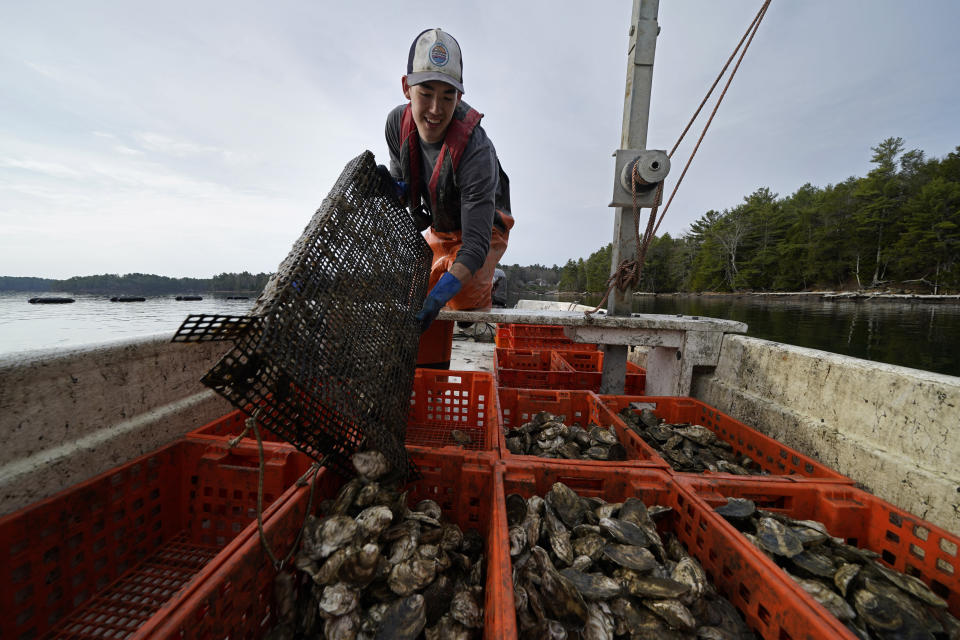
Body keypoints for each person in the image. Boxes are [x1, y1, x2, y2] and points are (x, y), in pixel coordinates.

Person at [384, 28, 514, 368]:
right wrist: (394, 188)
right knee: (416, 295)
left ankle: (490, 284)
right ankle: (428, 368)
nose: (435, 110)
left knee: (460, 301)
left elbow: (474, 246)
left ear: (459, 96)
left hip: (484, 232)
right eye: (425, 93)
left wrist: (442, 297)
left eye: (447, 96)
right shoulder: (396, 124)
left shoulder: (476, 151)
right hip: (440, 226)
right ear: (406, 87)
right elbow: (403, 180)